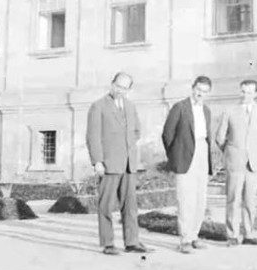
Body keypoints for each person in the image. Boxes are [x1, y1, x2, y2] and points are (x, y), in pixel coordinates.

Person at [85, 72, 149, 255]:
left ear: (129, 90)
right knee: (106, 205)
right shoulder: (98, 106)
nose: (120, 90)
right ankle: (108, 243)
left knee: (130, 205)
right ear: (112, 84)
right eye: (118, 86)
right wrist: (98, 161)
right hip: (108, 164)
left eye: (125, 88)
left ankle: (132, 242)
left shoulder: (130, 106)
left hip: (129, 164)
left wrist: (127, 148)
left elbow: (137, 130)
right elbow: (93, 137)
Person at [215, 79, 257, 247]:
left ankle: (249, 233)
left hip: (253, 163)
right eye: (243, 91)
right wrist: (231, 151)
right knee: (233, 199)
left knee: (250, 200)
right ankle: (232, 235)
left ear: (255, 94)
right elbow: (219, 137)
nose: (245, 95)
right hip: (235, 161)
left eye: (249, 92)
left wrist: (256, 150)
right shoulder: (230, 111)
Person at [162, 76, 214, 254]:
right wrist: (175, 155)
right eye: (198, 89)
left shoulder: (206, 110)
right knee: (185, 198)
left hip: (202, 152)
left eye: (205, 91)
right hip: (184, 154)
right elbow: (167, 134)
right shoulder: (180, 107)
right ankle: (185, 239)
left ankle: (194, 236)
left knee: (200, 198)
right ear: (193, 88)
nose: (201, 93)